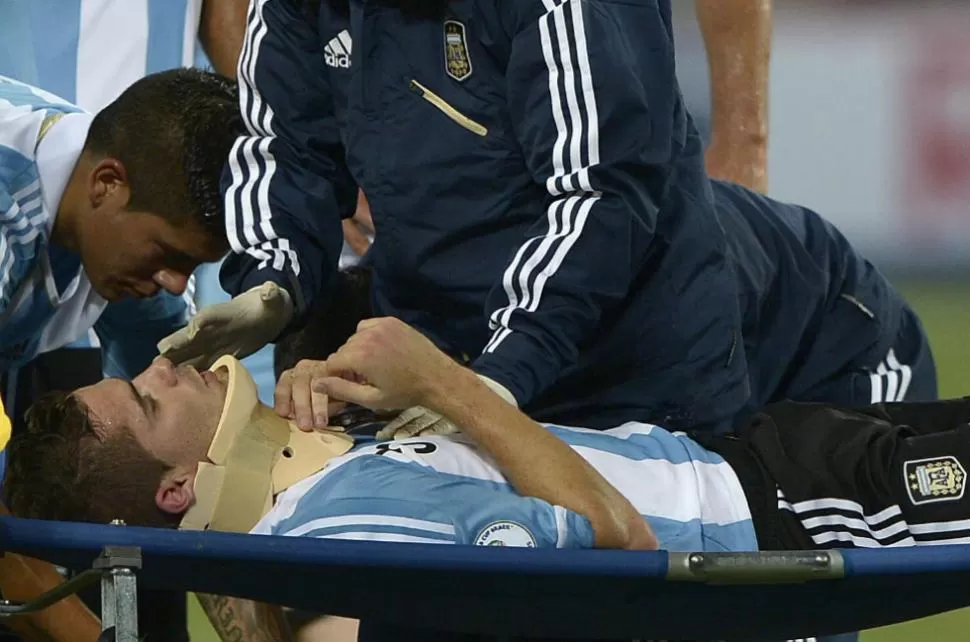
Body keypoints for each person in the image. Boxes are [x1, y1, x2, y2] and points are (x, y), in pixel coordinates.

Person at [6, 316, 970, 641]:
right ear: (179, 489)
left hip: (770, 456)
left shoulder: (313, 488)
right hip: (787, 517)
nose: (166, 367)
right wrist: (445, 383)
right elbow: (613, 546)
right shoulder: (340, 541)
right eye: (148, 398)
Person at [155, 0, 780, 438]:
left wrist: (500, 376)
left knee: (620, 602)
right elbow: (284, 154)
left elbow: (601, 192)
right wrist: (274, 278)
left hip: (627, 380)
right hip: (437, 362)